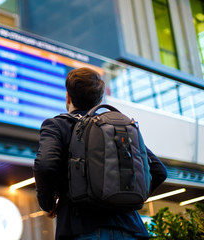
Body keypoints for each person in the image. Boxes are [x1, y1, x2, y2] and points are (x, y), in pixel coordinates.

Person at [34, 67, 167, 240]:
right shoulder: (119, 129)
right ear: (100, 100)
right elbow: (159, 170)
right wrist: (128, 199)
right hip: (131, 229)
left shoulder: (58, 125)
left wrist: (48, 205)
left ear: (67, 96)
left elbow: (45, 165)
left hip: (80, 228)